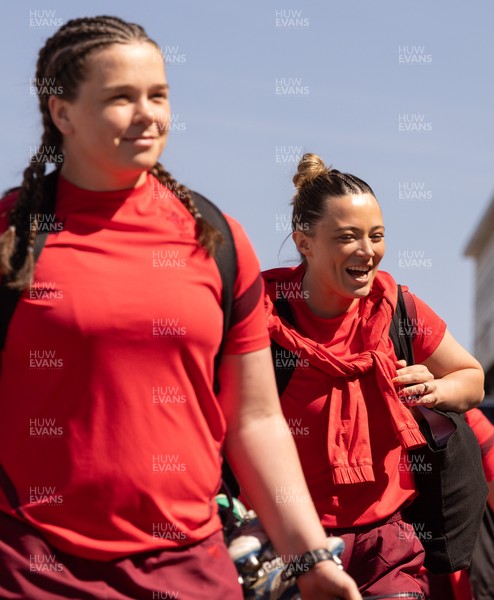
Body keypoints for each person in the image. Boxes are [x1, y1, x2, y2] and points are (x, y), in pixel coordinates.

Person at [0, 18, 361, 600]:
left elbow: (255, 419)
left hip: (190, 571)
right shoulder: (12, 234)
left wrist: (310, 555)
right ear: (61, 112)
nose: (148, 114)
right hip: (33, 570)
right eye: (121, 97)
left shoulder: (214, 237)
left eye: (158, 95)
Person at [262, 153, 485, 597]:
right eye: (348, 237)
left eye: (376, 236)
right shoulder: (261, 314)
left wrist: (436, 388)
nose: (368, 252)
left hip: (388, 542)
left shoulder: (399, 307)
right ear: (303, 242)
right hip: (287, 541)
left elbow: (472, 377)